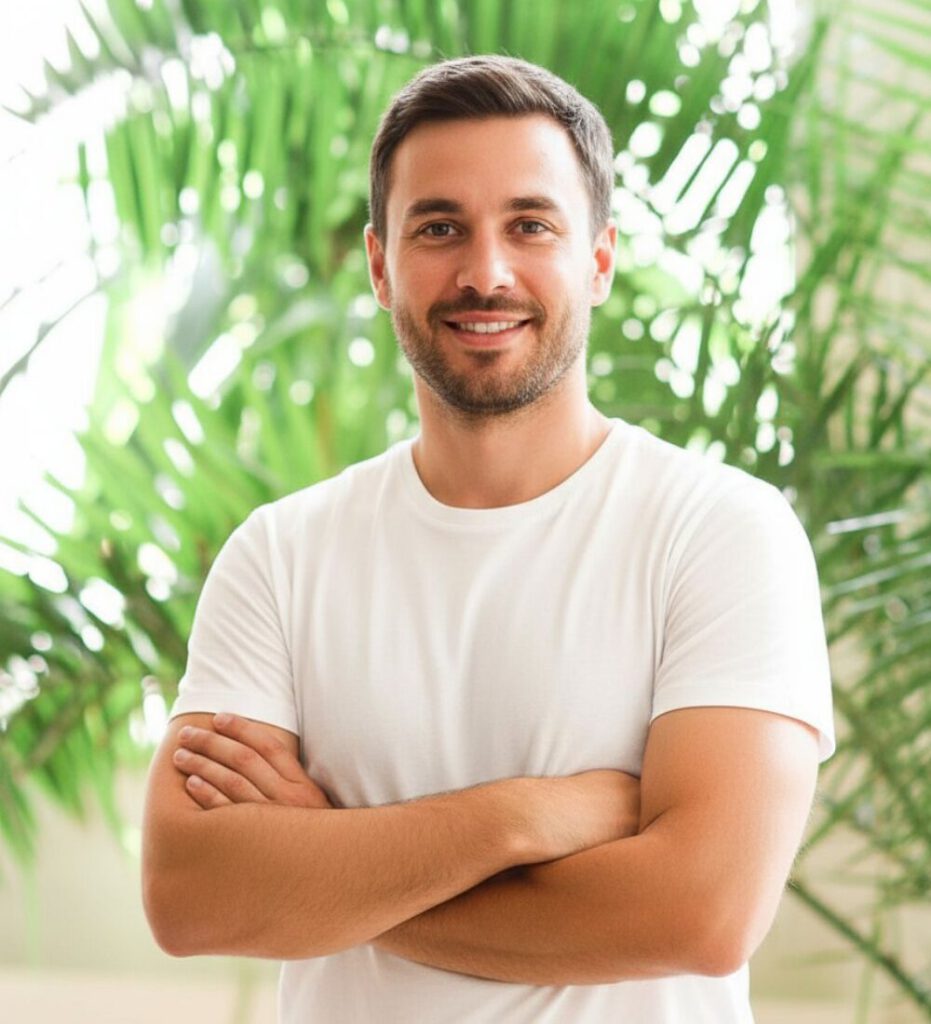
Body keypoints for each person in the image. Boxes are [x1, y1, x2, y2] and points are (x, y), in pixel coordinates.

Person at [141, 55, 835, 1023]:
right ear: (380, 265)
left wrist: (334, 866)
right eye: (438, 228)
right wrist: (521, 817)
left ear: (598, 259)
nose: (485, 273)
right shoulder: (278, 557)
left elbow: (700, 912)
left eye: (530, 225)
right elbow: (189, 894)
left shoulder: (720, 532)